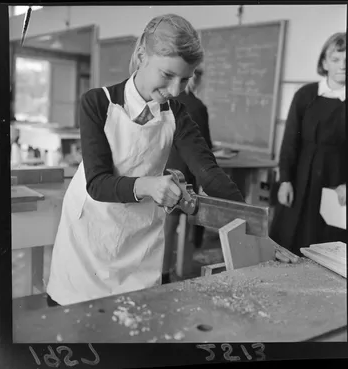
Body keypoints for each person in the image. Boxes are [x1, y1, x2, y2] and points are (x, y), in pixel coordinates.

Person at [46, 14, 298, 307]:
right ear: (142, 56)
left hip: (139, 239)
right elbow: (98, 183)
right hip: (90, 234)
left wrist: (259, 234)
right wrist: (149, 185)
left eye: (186, 79)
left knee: (136, 323)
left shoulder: (176, 114)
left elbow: (211, 174)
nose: (176, 90)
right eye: (167, 75)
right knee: (77, 324)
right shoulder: (97, 103)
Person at [269, 32, 346, 255]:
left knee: (326, 248)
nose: (342, 66)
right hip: (299, 178)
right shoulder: (306, 94)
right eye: (336, 59)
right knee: (285, 242)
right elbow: (290, 140)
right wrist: (285, 180)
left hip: (335, 184)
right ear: (324, 62)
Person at [162, 66, 212, 283]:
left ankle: (162, 272)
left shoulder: (161, 100)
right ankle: (172, 272)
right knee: (176, 225)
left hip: (160, 171)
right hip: (182, 175)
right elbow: (205, 149)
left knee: (165, 227)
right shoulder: (196, 106)